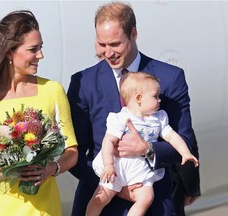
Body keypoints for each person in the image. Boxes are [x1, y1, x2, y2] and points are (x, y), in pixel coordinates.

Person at [67, 2, 200, 215]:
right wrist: (116, 185)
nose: (108, 52)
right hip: (101, 197)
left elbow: (185, 141)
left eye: (115, 44)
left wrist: (146, 149)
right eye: (101, 44)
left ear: (134, 34)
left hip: (152, 203)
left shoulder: (169, 78)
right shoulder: (83, 82)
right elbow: (74, 152)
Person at [0, 10, 78, 216]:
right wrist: (10, 171)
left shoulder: (53, 90)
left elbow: (71, 152)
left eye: (41, 48)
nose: (40, 55)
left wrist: (51, 168)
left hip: (46, 209)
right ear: (10, 52)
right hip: (2, 209)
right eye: (33, 49)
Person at [86, 72, 199, 216]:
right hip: (117, 169)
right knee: (100, 198)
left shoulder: (159, 118)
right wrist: (108, 165)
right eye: (155, 96)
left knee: (146, 198)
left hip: (141, 171)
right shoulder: (122, 118)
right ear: (139, 98)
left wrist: (185, 152)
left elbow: (172, 136)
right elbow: (108, 141)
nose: (159, 100)